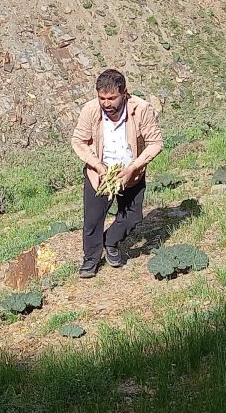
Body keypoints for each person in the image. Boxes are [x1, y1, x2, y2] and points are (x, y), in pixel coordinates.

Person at [70, 69, 164, 278]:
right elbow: (78, 141)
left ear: (124, 93)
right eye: (102, 98)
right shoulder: (90, 110)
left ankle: (111, 241)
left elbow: (155, 143)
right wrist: (97, 165)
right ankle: (91, 259)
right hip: (100, 174)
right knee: (93, 220)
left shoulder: (141, 109)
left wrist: (133, 168)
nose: (106, 103)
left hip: (131, 173)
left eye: (112, 98)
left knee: (132, 217)